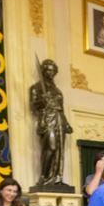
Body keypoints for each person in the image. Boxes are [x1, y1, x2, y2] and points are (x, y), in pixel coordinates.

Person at [30, 59, 73, 188]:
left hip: (59, 118)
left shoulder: (58, 91)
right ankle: (44, 177)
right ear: (43, 71)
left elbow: (62, 108)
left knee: (59, 150)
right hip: (47, 119)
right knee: (51, 147)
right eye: (48, 70)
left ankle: (57, 178)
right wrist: (42, 101)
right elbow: (33, 106)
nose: (51, 72)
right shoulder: (36, 88)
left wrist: (66, 123)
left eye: (53, 70)